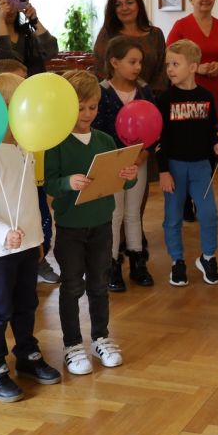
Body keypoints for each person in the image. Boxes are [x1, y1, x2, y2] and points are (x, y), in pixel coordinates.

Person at [0, 72, 62, 401]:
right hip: (0, 251)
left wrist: (37, 240)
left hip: (26, 247)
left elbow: (29, 202)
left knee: (27, 303)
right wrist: (3, 233)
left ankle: (26, 353)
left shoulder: (26, 150)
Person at [43, 70, 137, 375]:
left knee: (99, 284)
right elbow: (49, 184)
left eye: (92, 107)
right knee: (72, 286)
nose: (87, 114)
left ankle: (100, 338)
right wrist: (68, 183)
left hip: (101, 225)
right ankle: (72, 344)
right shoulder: (56, 143)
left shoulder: (104, 140)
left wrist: (129, 176)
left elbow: (123, 182)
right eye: (80, 108)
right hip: (70, 228)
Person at [156, 39, 218, 287]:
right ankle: (177, 261)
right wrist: (163, 171)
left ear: (193, 67)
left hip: (201, 167)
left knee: (209, 214)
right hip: (174, 167)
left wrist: (215, 146)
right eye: (168, 64)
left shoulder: (206, 97)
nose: (170, 69)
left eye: (175, 64)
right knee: (173, 217)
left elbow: (211, 132)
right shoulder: (165, 99)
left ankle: (208, 257)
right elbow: (160, 139)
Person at [93, 36, 156, 290]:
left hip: (138, 162)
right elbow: (97, 131)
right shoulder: (102, 92)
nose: (138, 67)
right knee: (114, 214)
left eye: (140, 62)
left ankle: (138, 261)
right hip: (112, 164)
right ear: (114, 62)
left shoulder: (145, 91)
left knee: (133, 213)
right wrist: (113, 160)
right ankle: (111, 265)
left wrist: (142, 155)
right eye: (132, 62)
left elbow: (154, 127)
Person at [165, 0, 218, 104]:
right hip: (187, 91)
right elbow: (167, 60)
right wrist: (196, 68)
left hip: (217, 91)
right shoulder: (181, 26)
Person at [94, 0, 168, 96]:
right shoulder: (107, 34)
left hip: (152, 98)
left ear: (138, 5)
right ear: (113, 9)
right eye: (118, 5)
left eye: (129, 3)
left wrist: (150, 97)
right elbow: (100, 71)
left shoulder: (156, 34)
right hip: (113, 99)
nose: (124, 8)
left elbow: (162, 72)